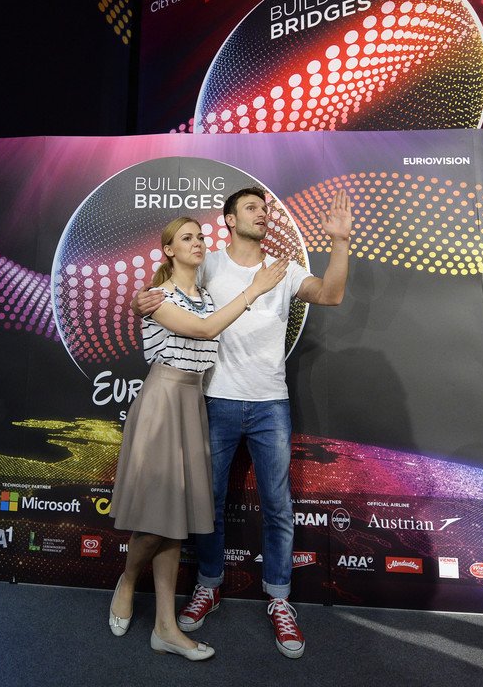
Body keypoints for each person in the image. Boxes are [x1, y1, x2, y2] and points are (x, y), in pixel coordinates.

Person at [133, 187, 352, 659]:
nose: (263, 214)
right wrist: (140, 301)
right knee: (207, 503)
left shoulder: (283, 270)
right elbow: (167, 285)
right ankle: (208, 585)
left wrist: (340, 242)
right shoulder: (208, 262)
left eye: (265, 208)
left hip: (271, 402)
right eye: (252, 208)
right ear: (230, 220)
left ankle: (279, 599)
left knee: (277, 504)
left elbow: (330, 294)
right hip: (216, 400)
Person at [108, 215, 288, 662]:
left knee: (175, 521)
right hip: (163, 402)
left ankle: (165, 629)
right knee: (156, 521)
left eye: (201, 237)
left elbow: (216, 325)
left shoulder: (206, 296)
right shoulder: (159, 296)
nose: (198, 243)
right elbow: (206, 331)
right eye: (186, 238)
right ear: (168, 250)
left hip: (193, 403)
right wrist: (256, 289)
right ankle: (127, 580)